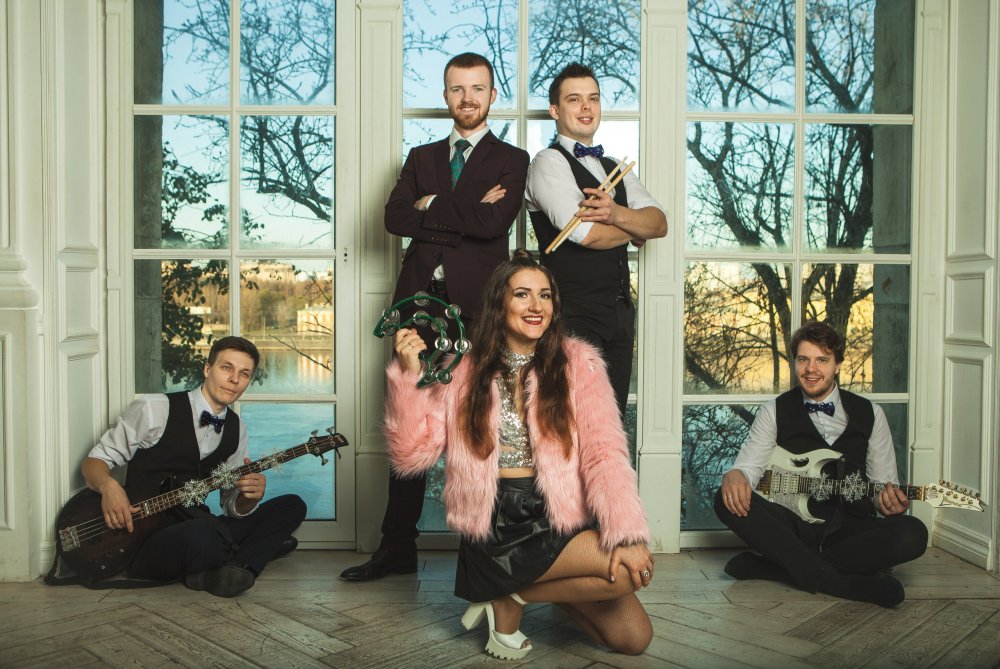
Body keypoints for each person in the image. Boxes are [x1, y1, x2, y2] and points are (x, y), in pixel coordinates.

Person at [384, 250, 654, 659]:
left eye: (545, 296)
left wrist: (627, 533)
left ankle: (511, 595)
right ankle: (510, 593)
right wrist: (409, 374)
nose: (536, 306)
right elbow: (412, 454)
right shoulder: (461, 369)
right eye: (522, 294)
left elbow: (605, 455)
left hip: (554, 514)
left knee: (633, 637)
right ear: (499, 302)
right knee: (626, 575)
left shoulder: (579, 364)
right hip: (493, 522)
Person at [341, 52, 529, 582]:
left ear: (493, 95)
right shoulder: (421, 155)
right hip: (416, 307)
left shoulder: (513, 159)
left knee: (476, 428)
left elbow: (494, 224)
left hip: (479, 312)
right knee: (409, 421)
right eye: (457, 89)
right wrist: (459, 209)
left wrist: (430, 207)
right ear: (445, 95)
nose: (467, 98)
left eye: (477, 88)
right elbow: (393, 217)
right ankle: (397, 548)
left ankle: (480, 551)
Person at [715, 320, 928, 607]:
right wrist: (736, 473)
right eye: (803, 359)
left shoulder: (871, 413)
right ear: (795, 363)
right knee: (724, 500)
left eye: (821, 360)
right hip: (795, 527)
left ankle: (782, 567)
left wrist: (889, 503)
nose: (811, 369)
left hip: (851, 530)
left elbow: (881, 486)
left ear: (837, 364)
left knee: (913, 533)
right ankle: (836, 581)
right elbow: (749, 469)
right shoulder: (774, 410)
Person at [81, 336, 306, 597]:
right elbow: (93, 463)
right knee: (204, 534)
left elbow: (230, 505)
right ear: (207, 369)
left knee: (292, 506)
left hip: (197, 521)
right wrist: (108, 486)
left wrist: (248, 498)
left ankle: (226, 569)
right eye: (227, 368)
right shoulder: (155, 409)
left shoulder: (237, 429)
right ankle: (247, 557)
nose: (234, 379)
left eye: (244, 373)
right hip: (143, 538)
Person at [526, 62, 667, 416]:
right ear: (555, 111)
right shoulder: (547, 162)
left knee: (611, 423)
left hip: (620, 313)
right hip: (573, 312)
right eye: (574, 99)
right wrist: (634, 228)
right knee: (573, 421)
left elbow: (659, 224)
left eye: (593, 98)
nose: (586, 107)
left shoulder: (615, 167)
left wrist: (615, 214)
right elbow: (586, 235)